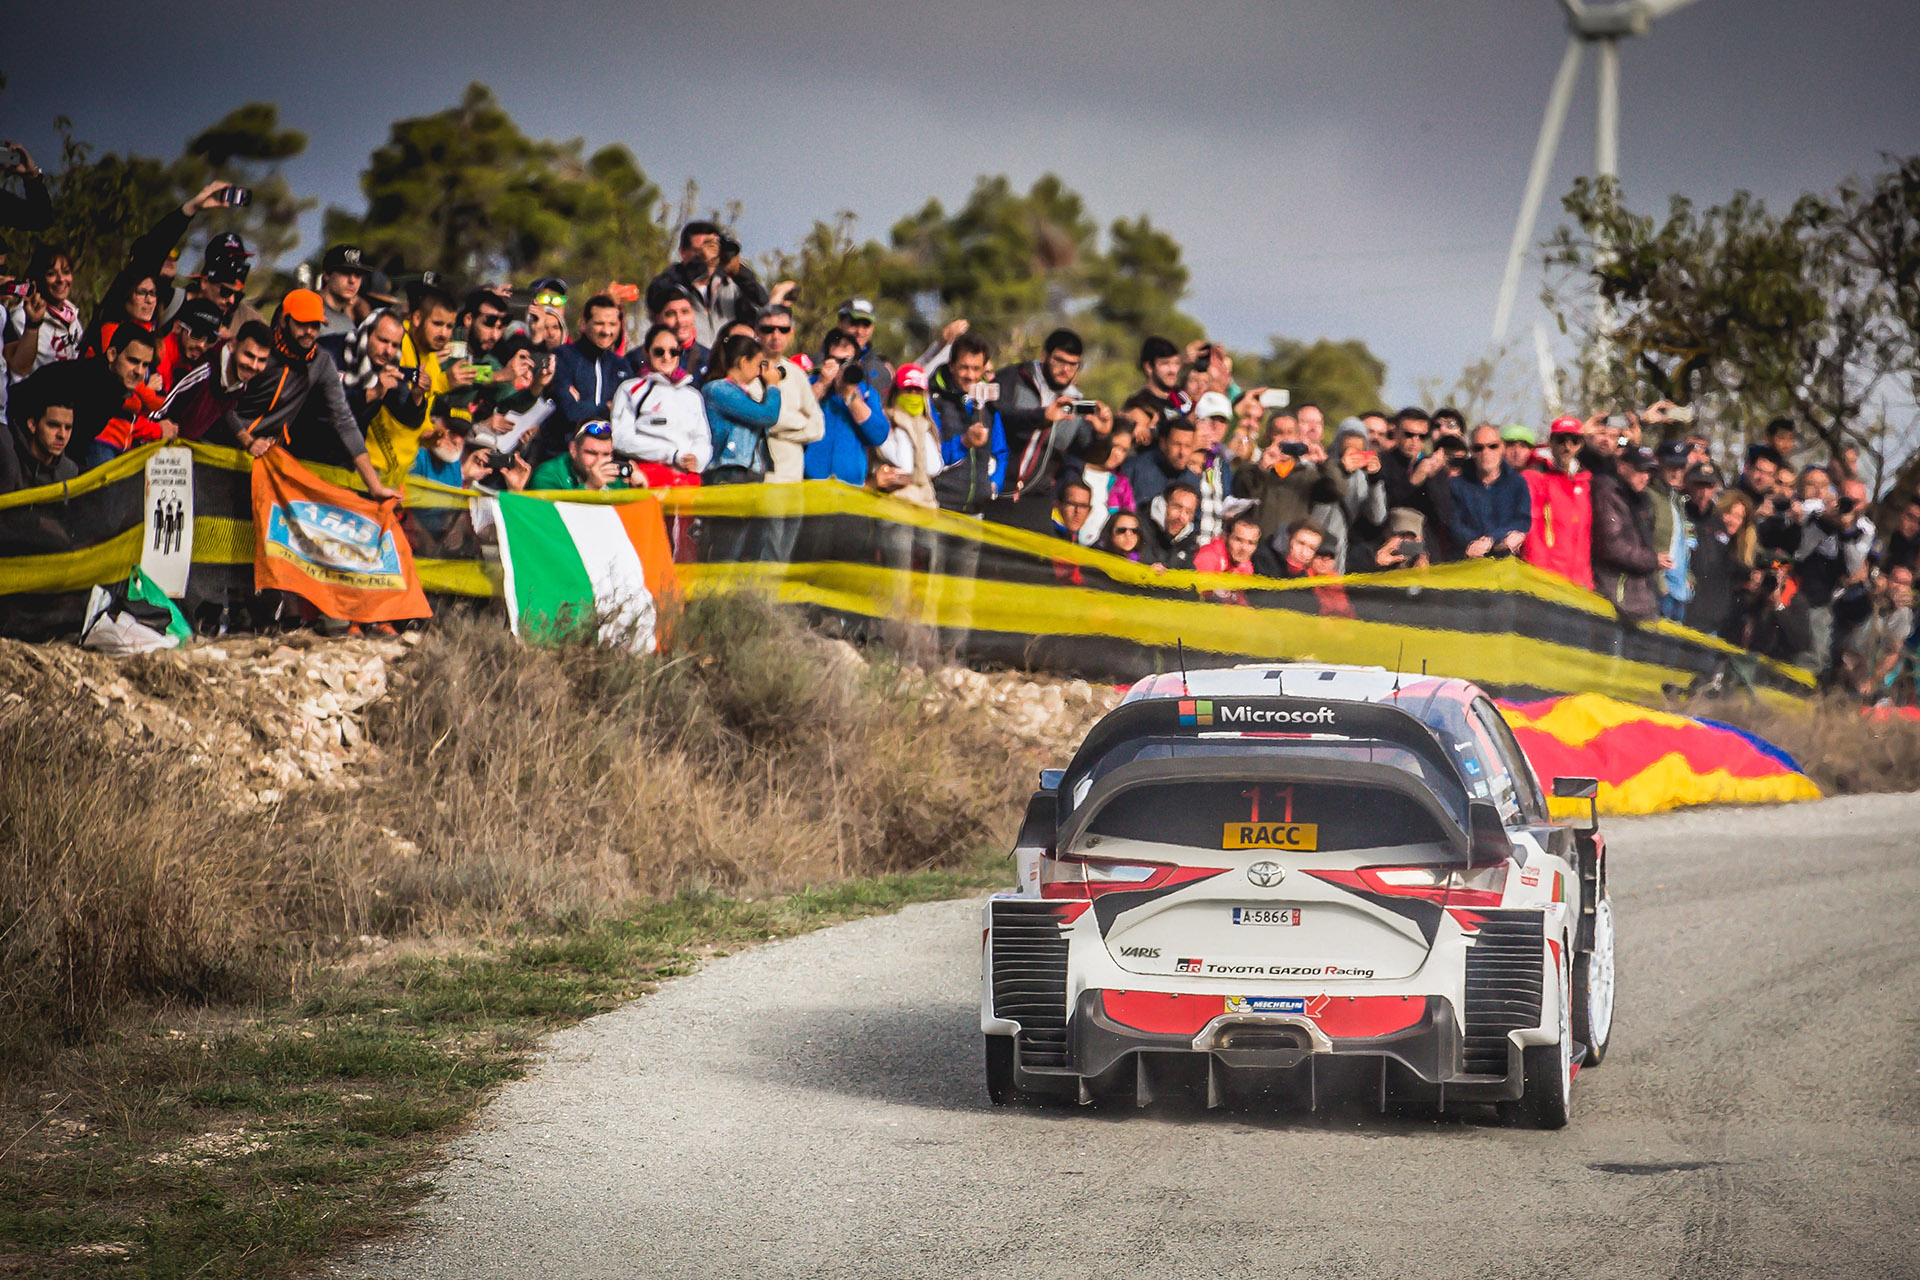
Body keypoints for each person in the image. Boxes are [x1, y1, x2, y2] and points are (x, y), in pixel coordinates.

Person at [230, 291, 396, 499]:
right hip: (223, 448)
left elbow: (344, 421)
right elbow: (222, 401)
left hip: (264, 458)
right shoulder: (260, 351)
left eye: (315, 325)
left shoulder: (321, 362)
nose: (309, 331)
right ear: (284, 319)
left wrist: (374, 486)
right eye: (302, 323)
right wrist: (247, 440)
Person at [7, 321, 157, 468]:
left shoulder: (111, 388)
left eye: (145, 365)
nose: (139, 371)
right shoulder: (92, 384)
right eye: (133, 361)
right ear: (112, 354)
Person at [994, 327, 1108, 496]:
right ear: (1044, 356)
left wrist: (1102, 435)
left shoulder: (1076, 404)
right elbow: (996, 416)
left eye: (1073, 365)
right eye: (1060, 361)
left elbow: (1089, 455)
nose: (1066, 370)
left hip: (1038, 497)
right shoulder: (1014, 378)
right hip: (996, 485)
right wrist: (1042, 417)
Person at [609, 323, 711, 486]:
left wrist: (698, 459)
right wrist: (671, 454)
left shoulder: (693, 395)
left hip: (687, 481)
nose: (667, 357)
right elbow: (620, 438)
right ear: (646, 352)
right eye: (659, 351)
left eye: (673, 351)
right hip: (646, 478)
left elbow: (703, 439)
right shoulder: (630, 389)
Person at [647, 222, 776, 348]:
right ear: (683, 253)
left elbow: (763, 304)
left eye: (713, 248)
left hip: (724, 362)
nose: (708, 255)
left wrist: (738, 271)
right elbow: (656, 300)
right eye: (698, 250)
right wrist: (702, 266)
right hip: (686, 360)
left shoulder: (729, 282)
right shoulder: (671, 280)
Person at [1233, 413, 1346, 543]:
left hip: (1291, 552)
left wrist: (1324, 463)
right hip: (1255, 548)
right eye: (1278, 433)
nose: (1284, 439)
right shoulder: (1249, 470)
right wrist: (1262, 468)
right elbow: (1244, 498)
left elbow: (1339, 491)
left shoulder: (1308, 475)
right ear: (1267, 437)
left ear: (1298, 437)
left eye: (1289, 433)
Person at [156, 319, 274, 442]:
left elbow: (223, 408)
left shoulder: (241, 379)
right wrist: (156, 432)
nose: (254, 366)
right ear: (233, 345)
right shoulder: (203, 370)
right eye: (249, 355)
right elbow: (161, 406)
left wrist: (246, 439)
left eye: (261, 360)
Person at [543, 292, 632, 454]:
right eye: (599, 323)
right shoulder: (563, 357)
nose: (607, 331)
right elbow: (569, 411)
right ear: (584, 324)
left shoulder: (621, 366)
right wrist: (608, 408)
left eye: (612, 324)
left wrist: (585, 406)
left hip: (606, 456)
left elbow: (629, 414)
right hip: (562, 453)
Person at [929, 333, 1006, 515]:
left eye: (976, 368)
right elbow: (930, 455)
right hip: (938, 508)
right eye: (964, 368)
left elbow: (1001, 451)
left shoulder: (989, 405)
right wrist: (964, 442)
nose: (970, 375)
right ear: (952, 366)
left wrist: (994, 484)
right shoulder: (934, 400)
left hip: (976, 512)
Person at [804, 328, 887, 485]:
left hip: (849, 489)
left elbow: (878, 435)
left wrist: (851, 397)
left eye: (846, 362)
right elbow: (796, 415)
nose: (840, 368)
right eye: (835, 360)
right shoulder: (810, 383)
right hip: (809, 485)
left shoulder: (866, 392)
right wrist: (822, 384)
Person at [1521, 416, 1594, 589]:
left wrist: (1586, 581)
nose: (1567, 446)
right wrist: (1541, 577)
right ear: (1550, 442)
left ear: (1581, 445)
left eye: (1574, 440)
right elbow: (1532, 533)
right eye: (1561, 440)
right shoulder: (1535, 477)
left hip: (1580, 581)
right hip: (1548, 580)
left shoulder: (1584, 481)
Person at [1591, 446, 1662, 622]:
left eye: (1649, 472)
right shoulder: (1607, 491)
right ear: (1622, 466)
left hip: (1635, 598)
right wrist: (1653, 560)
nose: (1645, 477)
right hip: (1613, 595)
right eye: (1640, 470)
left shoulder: (1642, 501)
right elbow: (1611, 546)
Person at [755, 304, 823, 485]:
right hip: (763, 479)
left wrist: (776, 430)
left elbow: (818, 427)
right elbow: (762, 420)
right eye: (768, 329)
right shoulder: (749, 371)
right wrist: (801, 421)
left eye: (783, 330)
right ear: (757, 332)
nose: (776, 336)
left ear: (791, 333)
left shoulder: (797, 373)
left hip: (795, 479)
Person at [1311, 419, 1387, 573]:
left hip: (1337, 551)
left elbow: (1377, 516)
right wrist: (1341, 470)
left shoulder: (1362, 478)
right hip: (1309, 545)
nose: (1353, 456)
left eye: (1358, 450)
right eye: (1348, 449)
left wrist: (1375, 481)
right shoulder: (1320, 466)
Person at [1378, 407, 1454, 558]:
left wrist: (1432, 479)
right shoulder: (1383, 462)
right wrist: (1413, 481)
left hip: (1426, 548)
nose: (1415, 441)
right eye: (1409, 435)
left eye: (1422, 436)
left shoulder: (1432, 466)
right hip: (1388, 544)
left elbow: (1445, 515)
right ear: (1396, 433)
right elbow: (1383, 508)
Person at [4, 245, 84, 386]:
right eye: (51, 274)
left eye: (66, 272)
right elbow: (19, 371)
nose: (61, 279)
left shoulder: (72, 314)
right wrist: (33, 324)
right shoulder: (21, 317)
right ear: (39, 278)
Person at [1448, 424, 1531, 559]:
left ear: (1502, 448)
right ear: (1472, 451)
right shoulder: (1456, 484)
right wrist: (1474, 543)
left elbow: (1522, 520)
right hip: (1469, 561)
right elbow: (1454, 523)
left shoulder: (1517, 483)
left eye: (1493, 446)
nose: (1485, 452)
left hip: (1506, 562)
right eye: (1478, 448)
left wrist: (1492, 539)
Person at [1687, 490, 1757, 640]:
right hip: (1697, 616)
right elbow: (1710, 567)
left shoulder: (1740, 552)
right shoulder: (1708, 535)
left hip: (1718, 624)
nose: (1732, 520)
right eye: (1728, 513)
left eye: (1739, 517)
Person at [871, 364, 944, 509]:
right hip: (894, 505)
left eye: (918, 390)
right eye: (908, 389)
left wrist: (918, 429)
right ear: (896, 392)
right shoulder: (886, 423)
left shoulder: (926, 426)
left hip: (926, 505)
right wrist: (904, 426)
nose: (913, 394)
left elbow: (935, 467)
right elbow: (905, 464)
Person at [1837, 565, 1914, 701]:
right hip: (1847, 657)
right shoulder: (1869, 599)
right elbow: (1847, 651)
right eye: (1896, 581)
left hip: (1873, 667)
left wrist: (1874, 680)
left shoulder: (1904, 614)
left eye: (1905, 584)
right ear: (1887, 580)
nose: (1899, 587)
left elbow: (1893, 651)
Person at [1062, 430, 1135, 548]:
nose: (1117, 454)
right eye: (1115, 446)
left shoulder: (1121, 485)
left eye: (1124, 450)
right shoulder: (1073, 471)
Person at [1647, 439, 1694, 621]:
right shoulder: (1649, 496)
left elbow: (1683, 543)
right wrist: (1658, 581)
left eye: (1681, 466)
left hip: (1680, 593)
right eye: (1671, 465)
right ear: (1658, 463)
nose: (1676, 472)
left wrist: (1688, 577)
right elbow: (1644, 540)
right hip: (1659, 590)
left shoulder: (1678, 501)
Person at [1187, 392, 1238, 545]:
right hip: (1186, 550)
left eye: (1222, 421)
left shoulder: (1223, 465)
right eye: (1210, 419)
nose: (1216, 426)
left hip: (1212, 554)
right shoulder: (1182, 457)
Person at [0, 396, 77, 494]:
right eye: (53, 425)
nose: (62, 435)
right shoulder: (9, 464)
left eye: (68, 428)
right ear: (32, 425)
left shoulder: (69, 471)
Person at [1121, 417, 1198, 514]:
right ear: (1163, 443)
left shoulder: (1193, 482)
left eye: (1187, 446)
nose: (1182, 453)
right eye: (1176, 444)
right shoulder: (1134, 469)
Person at [529, 419, 628, 491]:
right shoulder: (548, 474)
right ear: (573, 449)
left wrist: (640, 489)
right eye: (592, 453)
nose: (599, 461)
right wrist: (590, 487)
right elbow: (550, 516)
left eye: (606, 454)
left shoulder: (615, 475)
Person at [1122, 335, 1188, 430]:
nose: (1173, 370)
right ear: (1148, 367)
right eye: (1165, 363)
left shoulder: (1183, 397)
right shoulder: (1138, 404)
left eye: (1176, 363)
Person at [835, 298, 891, 397]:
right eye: (854, 323)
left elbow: (881, 410)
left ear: (873, 327)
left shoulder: (882, 371)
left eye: (866, 325)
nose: (859, 332)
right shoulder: (816, 363)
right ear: (840, 323)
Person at [1141, 481, 1202, 570]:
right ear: (1162, 505)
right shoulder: (1138, 531)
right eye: (1177, 507)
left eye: (1188, 512)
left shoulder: (1188, 544)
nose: (1181, 516)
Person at [317, 245, 373, 336]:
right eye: (345, 272)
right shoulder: (307, 310)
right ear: (327, 274)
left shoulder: (350, 327)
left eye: (358, 275)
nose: (352, 280)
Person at [1363, 507, 1432, 573]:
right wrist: (1374, 561)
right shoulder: (1366, 552)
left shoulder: (1430, 555)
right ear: (1386, 532)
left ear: (1420, 538)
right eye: (1399, 534)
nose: (1403, 540)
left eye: (1410, 536)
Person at [1253, 518, 1325, 580]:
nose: (1304, 553)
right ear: (1288, 539)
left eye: (1312, 548)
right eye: (1300, 543)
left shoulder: (1303, 575)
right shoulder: (1263, 559)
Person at [1053, 479, 1096, 543]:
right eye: (1072, 504)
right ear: (1058, 505)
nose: (1077, 511)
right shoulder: (1046, 533)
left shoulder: (1077, 539)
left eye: (1083, 506)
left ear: (1089, 511)